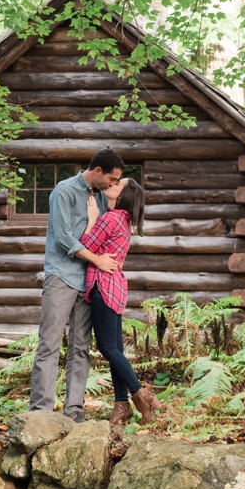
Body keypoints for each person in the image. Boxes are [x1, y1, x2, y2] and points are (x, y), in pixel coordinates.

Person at [29, 149, 125, 422]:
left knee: (81, 347)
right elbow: (64, 238)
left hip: (89, 281)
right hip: (61, 277)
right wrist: (97, 257)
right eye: (112, 178)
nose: (113, 184)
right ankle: (41, 412)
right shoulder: (65, 191)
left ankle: (74, 411)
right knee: (49, 344)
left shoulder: (102, 199)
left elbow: (103, 234)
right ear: (97, 171)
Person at [81, 177, 160, 426]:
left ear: (123, 194)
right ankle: (121, 405)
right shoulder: (125, 221)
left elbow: (83, 245)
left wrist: (92, 219)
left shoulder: (109, 218)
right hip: (115, 288)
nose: (111, 185)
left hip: (102, 286)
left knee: (108, 348)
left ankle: (140, 393)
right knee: (115, 348)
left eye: (117, 184)